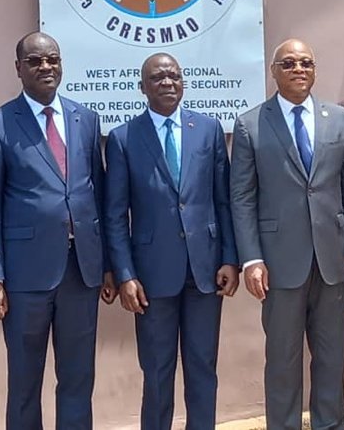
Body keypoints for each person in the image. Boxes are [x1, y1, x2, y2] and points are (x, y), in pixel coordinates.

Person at [0, 31, 117, 430]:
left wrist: (105, 264)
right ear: (18, 69)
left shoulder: (85, 119)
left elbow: (97, 194)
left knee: (77, 378)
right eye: (35, 61)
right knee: (24, 380)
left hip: (80, 271)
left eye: (52, 59)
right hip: (24, 277)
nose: (46, 68)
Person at [230, 38, 344, 430]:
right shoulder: (251, 124)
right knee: (283, 363)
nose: (298, 70)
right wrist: (252, 259)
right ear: (273, 72)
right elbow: (241, 197)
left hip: (331, 262)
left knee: (331, 360)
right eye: (288, 63)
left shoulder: (338, 119)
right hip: (278, 263)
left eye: (306, 63)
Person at [104, 53, 239, 430]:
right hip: (151, 277)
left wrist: (230, 257)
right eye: (158, 77)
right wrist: (125, 274)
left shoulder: (208, 129)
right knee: (158, 373)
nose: (167, 82)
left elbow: (223, 199)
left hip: (205, 272)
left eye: (174, 76)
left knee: (202, 369)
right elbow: (115, 215)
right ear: (142, 87)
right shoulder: (123, 138)